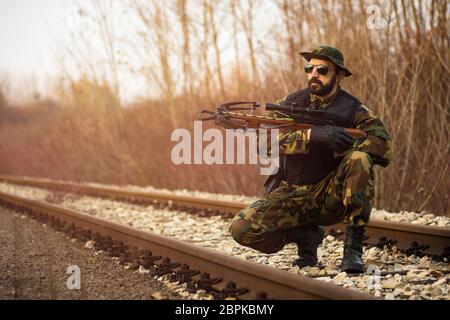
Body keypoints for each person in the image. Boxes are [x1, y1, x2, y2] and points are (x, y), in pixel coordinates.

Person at [225, 45, 393, 273]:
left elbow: (384, 148)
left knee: (359, 158)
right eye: (309, 68)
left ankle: (353, 249)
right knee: (242, 229)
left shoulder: (354, 110)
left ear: (340, 75)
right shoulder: (289, 104)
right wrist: (311, 136)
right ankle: (306, 237)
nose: (314, 74)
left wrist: (342, 143)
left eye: (322, 70)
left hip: (332, 196)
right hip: (293, 192)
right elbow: (264, 144)